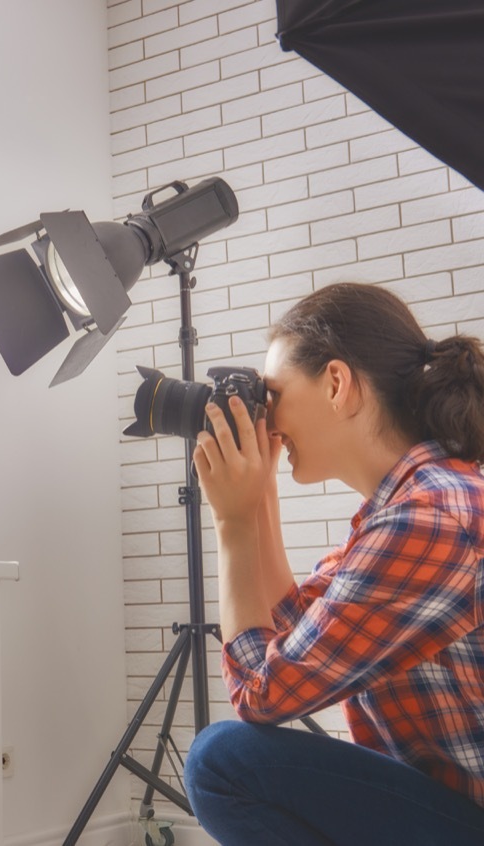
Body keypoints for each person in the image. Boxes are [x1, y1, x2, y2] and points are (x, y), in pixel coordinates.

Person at [184, 282, 484, 845]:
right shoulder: (407, 506)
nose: (267, 419)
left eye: (272, 394)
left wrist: (232, 526)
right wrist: (259, 496)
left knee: (221, 763)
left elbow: (260, 692)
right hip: (456, 807)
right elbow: (295, 630)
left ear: (337, 384)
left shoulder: (425, 519)